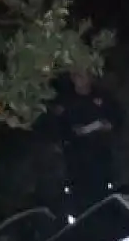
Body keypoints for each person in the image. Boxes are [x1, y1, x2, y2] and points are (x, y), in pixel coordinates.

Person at [53, 69, 125, 223]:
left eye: (84, 74)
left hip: (100, 157)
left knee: (101, 197)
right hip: (74, 159)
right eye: (77, 74)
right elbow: (56, 126)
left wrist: (108, 125)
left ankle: (105, 222)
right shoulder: (65, 100)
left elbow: (118, 118)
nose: (80, 78)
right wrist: (69, 135)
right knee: (76, 200)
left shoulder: (103, 97)